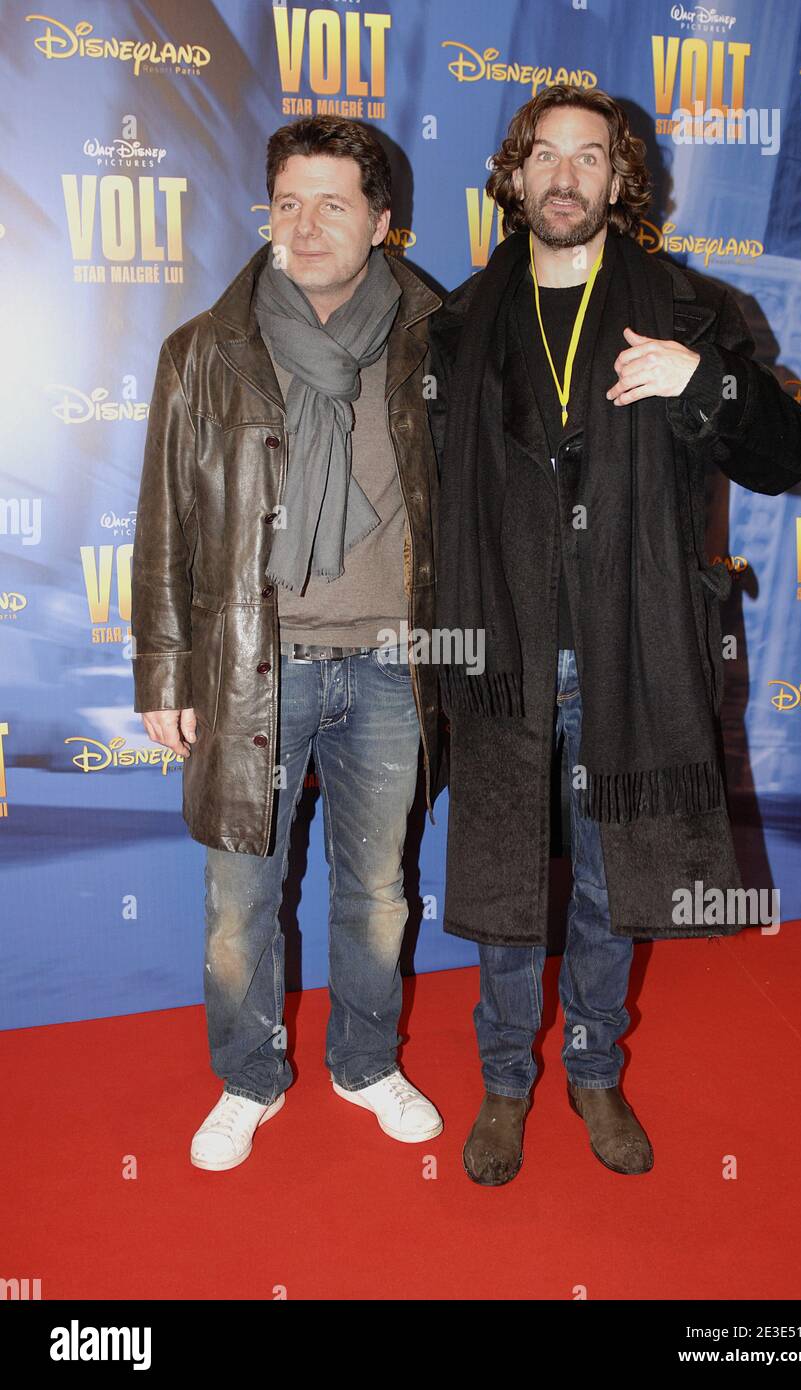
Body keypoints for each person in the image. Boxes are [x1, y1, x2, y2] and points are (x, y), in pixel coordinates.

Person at [428, 85, 801, 1186]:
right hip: (500, 649)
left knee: (607, 878)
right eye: (543, 154)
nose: (564, 175)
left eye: (588, 157)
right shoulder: (456, 326)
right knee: (505, 877)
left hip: (629, 648)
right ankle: (505, 1080)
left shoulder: (692, 313)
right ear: (512, 176)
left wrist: (709, 383)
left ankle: (593, 1070)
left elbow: (790, 457)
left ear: (617, 180)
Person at [131, 116, 444, 1171]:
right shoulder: (204, 352)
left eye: (334, 204)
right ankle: (247, 1076)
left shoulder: (433, 339)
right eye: (288, 203)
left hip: (392, 670)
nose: (305, 226)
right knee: (237, 907)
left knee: (378, 895)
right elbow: (167, 522)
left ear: (382, 222)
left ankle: (366, 1062)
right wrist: (164, 667)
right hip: (249, 672)